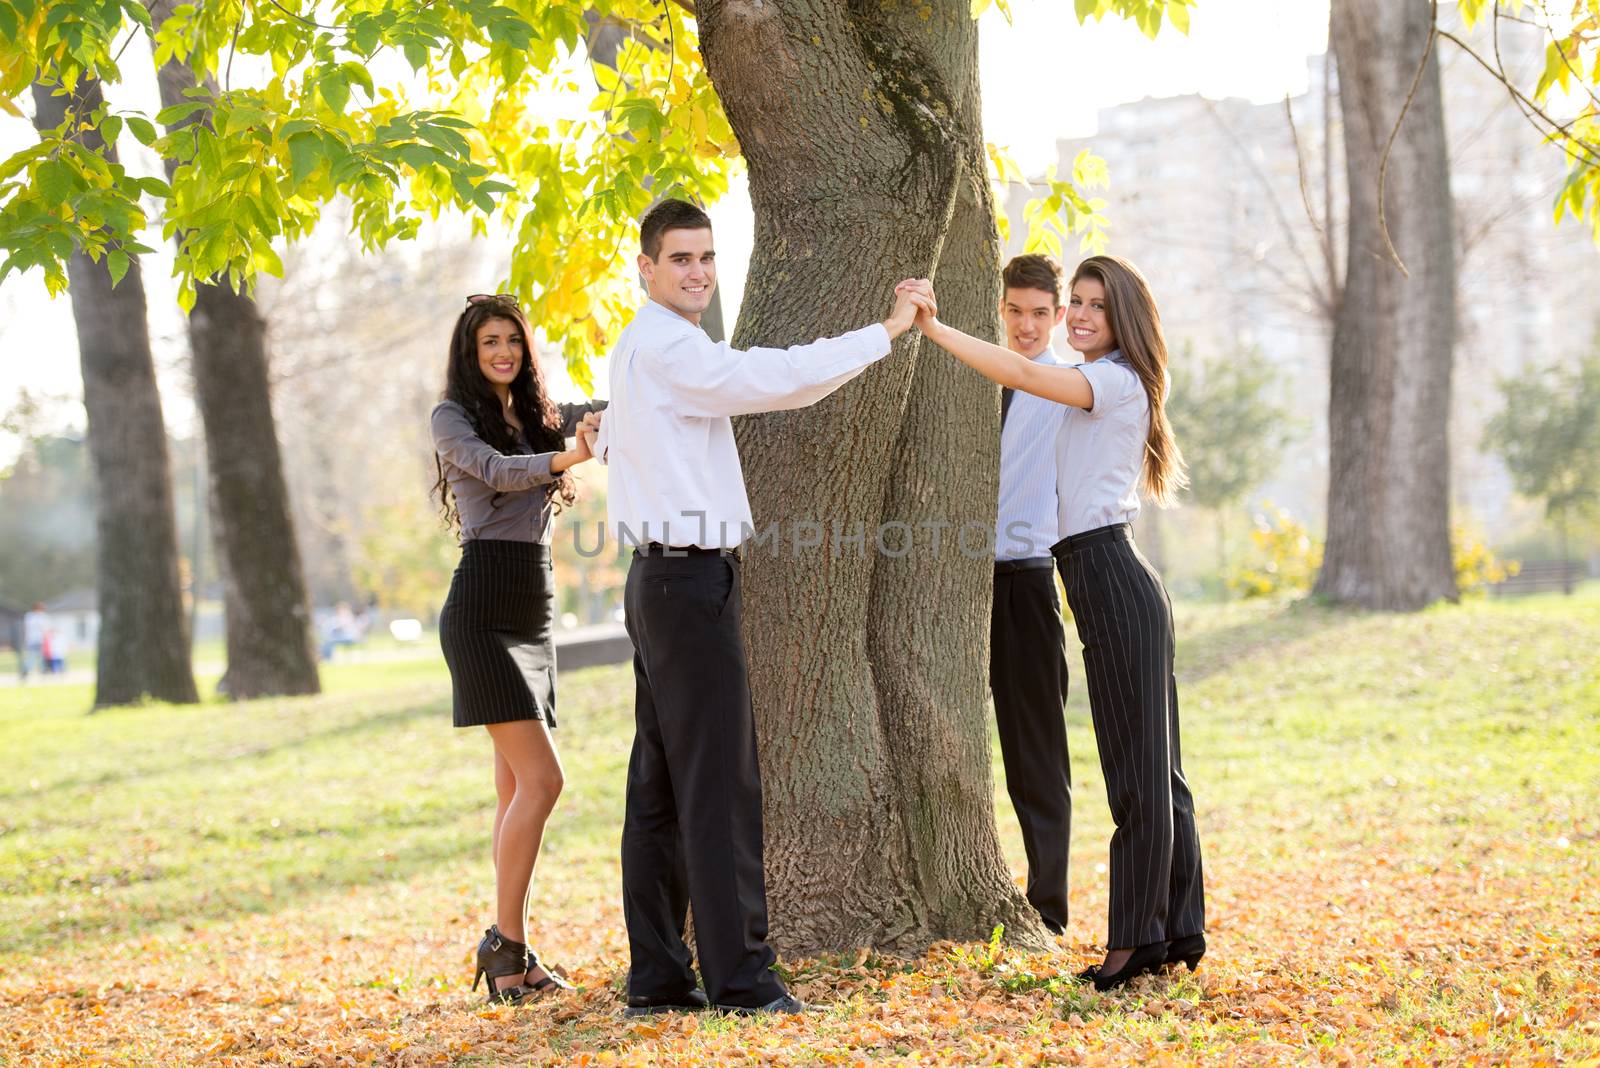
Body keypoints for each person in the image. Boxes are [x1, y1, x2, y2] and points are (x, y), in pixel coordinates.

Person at [593, 197, 931, 1016]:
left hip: (659, 583)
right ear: (645, 268)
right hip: (684, 583)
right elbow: (778, 380)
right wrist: (885, 332)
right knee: (718, 787)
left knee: (663, 786)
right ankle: (741, 981)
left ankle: (659, 978)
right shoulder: (672, 348)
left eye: (707, 257)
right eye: (681, 259)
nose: (699, 272)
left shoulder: (641, 346)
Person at [904, 255, 1205, 991]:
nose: (1076, 316)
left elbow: (1024, 375)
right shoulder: (1110, 379)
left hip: (1108, 576)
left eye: (1092, 306)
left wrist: (937, 330)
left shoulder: (1107, 379)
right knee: (1158, 775)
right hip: (1108, 576)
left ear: (1123, 317)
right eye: (1074, 301)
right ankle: (1177, 930)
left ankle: (1133, 944)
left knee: (1137, 780)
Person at [430, 293, 606, 1005]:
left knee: (513, 788)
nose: (501, 352)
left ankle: (513, 950)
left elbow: (607, 405)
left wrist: (619, 405)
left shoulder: (538, 411)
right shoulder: (453, 417)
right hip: (481, 607)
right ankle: (505, 946)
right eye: (488, 343)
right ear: (470, 355)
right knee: (543, 782)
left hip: (532, 603)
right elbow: (501, 474)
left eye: (511, 340)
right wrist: (571, 455)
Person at [989, 254, 1074, 936]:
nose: (1025, 326)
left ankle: (1050, 905)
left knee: (1035, 751)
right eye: (1015, 311)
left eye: (1039, 314)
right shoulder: (979, 379)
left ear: (1059, 316)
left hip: (1025, 582)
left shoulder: (1066, 387)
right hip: (954, 585)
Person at [20, 603, 46, 681]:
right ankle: (25, 671)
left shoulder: (31, 616)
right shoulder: (33, 617)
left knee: (40, 658)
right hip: (33, 640)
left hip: (37, 640)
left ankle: (42, 672)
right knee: (31, 658)